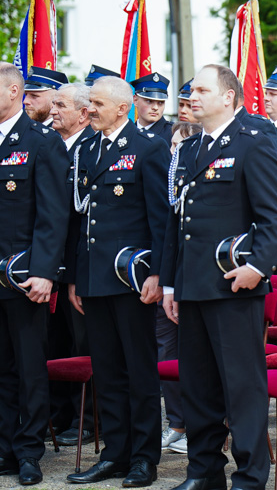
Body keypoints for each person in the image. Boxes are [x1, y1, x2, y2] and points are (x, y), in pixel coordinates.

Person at [160, 65, 277, 490]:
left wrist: (257, 268)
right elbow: (179, 223)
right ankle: (204, 471)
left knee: (242, 387)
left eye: (201, 90)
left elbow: (272, 220)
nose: (192, 96)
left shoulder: (253, 144)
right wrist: (172, 284)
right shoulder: (192, 148)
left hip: (233, 286)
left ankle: (249, 475)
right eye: (191, 90)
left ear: (228, 97)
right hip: (193, 287)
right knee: (198, 388)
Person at [66, 75, 170, 487]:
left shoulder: (149, 148)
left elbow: (161, 216)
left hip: (131, 279)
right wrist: (74, 277)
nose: (89, 109)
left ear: (122, 107)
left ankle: (144, 458)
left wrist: (160, 274)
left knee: (139, 370)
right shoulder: (88, 147)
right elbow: (79, 221)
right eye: (88, 102)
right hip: (93, 277)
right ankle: (115, 453)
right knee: (106, 370)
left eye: (96, 103)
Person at [0, 63, 69, 486]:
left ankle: (28, 451)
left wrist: (45, 272)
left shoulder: (40, 142)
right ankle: (5, 447)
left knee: (28, 368)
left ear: (12, 91)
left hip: (23, 278)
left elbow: (53, 215)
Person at [47, 82, 96, 446]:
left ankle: (89, 420)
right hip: (53, 267)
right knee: (57, 346)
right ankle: (61, 414)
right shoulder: (53, 146)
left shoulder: (89, 149)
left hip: (79, 269)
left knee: (84, 347)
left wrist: (76, 274)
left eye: (60, 105)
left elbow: (82, 220)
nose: (52, 111)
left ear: (83, 113)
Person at [158, 120, 201, 457]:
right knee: (166, 354)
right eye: (171, 146)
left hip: (199, 281)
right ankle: (177, 424)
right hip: (169, 281)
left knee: (197, 358)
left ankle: (203, 425)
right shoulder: (166, 181)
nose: (172, 152)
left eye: (178, 147)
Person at [131, 72, 173, 144]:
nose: (155, 107)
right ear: (135, 100)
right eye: (149, 101)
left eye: (160, 102)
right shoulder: (128, 132)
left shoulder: (173, 133)